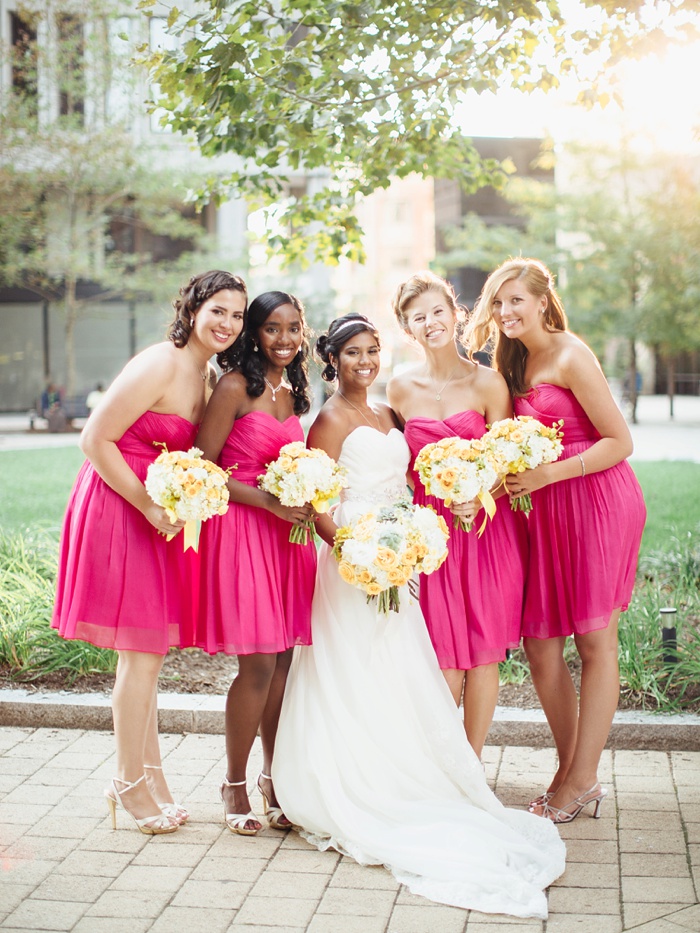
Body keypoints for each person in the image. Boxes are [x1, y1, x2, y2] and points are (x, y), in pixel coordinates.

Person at [273, 314, 565, 919]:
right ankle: (355, 780)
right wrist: (351, 553)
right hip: (351, 557)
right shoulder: (327, 420)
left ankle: (408, 768)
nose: (365, 362)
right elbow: (317, 497)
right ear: (332, 359)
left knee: (398, 665)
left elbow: (405, 482)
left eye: (372, 351)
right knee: (349, 665)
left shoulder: (386, 413)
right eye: (352, 353)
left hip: (396, 554)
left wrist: (403, 542)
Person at [52, 270, 247, 834]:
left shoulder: (207, 375)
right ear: (192, 308)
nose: (228, 324)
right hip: (121, 507)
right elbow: (95, 439)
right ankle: (127, 784)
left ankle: (152, 778)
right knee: (140, 657)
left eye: (236, 315)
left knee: (149, 655)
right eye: (219, 311)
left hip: (157, 516)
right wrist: (145, 504)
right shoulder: (159, 362)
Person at [468, 257, 646, 823]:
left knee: (594, 643)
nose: (505, 312)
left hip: (595, 502)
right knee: (541, 647)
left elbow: (619, 441)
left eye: (516, 300)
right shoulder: (512, 362)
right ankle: (573, 769)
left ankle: (580, 780)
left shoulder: (571, 354)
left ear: (543, 301)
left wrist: (549, 474)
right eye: (497, 303)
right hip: (543, 515)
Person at [387, 271, 527, 759]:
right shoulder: (400, 388)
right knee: (444, 654)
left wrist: (480, 493)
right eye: (418, 317)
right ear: (408, 329)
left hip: (487, 528)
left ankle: (472, 765)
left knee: (484, 653)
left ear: (456, 312)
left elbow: (510, 460)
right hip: (434, 534)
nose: (431, 323)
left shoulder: (489, 383)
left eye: (438, 311)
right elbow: (402, 468)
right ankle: (444, 767)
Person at [195, 290, 317, 836]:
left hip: (288, 539)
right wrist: (268, 499)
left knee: (285, 663)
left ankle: (277, 779)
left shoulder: (291, 393)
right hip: (244, 533)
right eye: (272, 328)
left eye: (293, 328)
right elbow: (205, 469)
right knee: (259, 664)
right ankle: (235, 782)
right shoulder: (233, 386)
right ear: (254, 334)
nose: (285, 339)